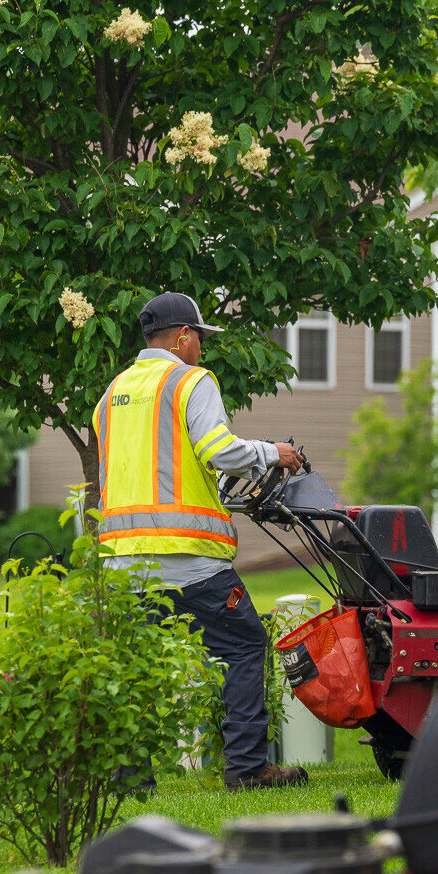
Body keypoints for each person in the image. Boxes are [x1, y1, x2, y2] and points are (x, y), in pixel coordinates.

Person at [94, 290, 308, 791]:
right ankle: (249, 769)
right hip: (189, 560)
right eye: (200, 339)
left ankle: (129, 780)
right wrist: (271, 452)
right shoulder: (191, 381)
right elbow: (218, 451)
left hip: (123, 562)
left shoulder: (113, 394)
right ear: (184, 337)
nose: (202, 351)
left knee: (134, 664)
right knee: (245, 644)